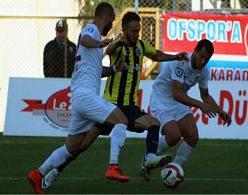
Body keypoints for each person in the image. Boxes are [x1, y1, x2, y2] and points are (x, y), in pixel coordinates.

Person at [27, 3, 124, 194]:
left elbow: (96, 71)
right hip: (86, 96)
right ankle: (113, 166)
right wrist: (101, 44)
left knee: (72, 147)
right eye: (111, 21)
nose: (110, 25)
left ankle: (38, 175)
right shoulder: (92, 30)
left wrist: (114, 69)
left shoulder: (95, 44)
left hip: (80, 98)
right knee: (121, 119)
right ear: (106, 17)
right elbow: (86, 39)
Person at [102, 11, 189, 182]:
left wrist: (174, 57)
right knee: (81, 144)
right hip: (110, 105)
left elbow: (156, 54)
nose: (137, 34)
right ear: (124, 30)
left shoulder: (140, 46)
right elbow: (108, 49)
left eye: (139, 30)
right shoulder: (118, 47)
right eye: (134, 31)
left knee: (154, 123)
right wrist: (119, 41)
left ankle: (149, 158)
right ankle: (53, 171)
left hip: (130, 107)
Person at [149, 39, 231, 170]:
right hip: (161, 100)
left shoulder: (203, 71)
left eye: (207, 59)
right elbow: (177, 93)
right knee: (174, 136)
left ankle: (174, 169)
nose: (203, 61)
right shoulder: (181, 62)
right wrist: (200, 105)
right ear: (195, 51)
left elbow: (205, 96)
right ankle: (150, 156)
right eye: (201, 57)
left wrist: (220, 112)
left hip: (178, 102)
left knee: (192, 136)